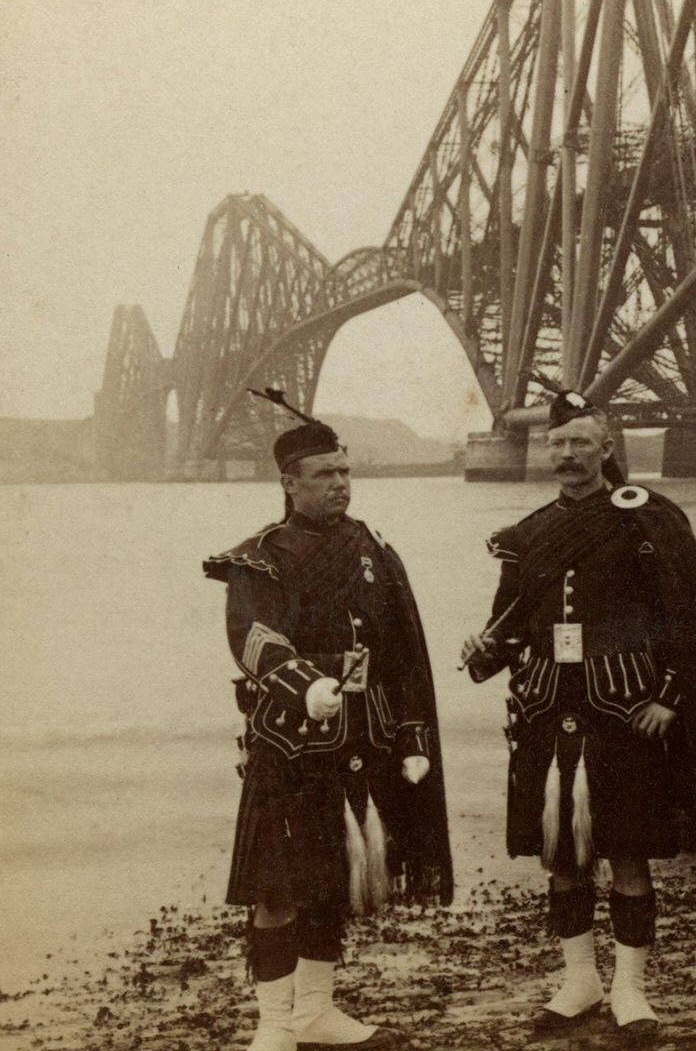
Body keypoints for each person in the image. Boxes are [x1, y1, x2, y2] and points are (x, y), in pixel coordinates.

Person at [461, 390, 696, 1042]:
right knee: (563, 855)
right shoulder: (526, 534)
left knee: (629, 854)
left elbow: (693, 616)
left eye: (581, 442)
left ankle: (632, 989)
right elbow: (513, 623)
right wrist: (483, 651)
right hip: (547, 710)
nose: (567, 455)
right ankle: (580, 981)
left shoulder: (648, 519)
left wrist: (671, 697)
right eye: (557, 444)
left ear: (608, 450)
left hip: (628, 712)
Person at [204, 393, 453, 1051]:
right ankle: (273, 1026)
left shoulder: (372, 547)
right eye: (325, 475)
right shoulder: (259, 556)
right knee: (277, 887)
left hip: (362, 737)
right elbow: (253, 640)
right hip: (288, 742)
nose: (340, 484)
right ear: (290, 484)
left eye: (345, 472)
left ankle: (316, 1009)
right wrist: (304, 683)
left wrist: (413, 736)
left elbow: (402, 653)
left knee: (334, 879)